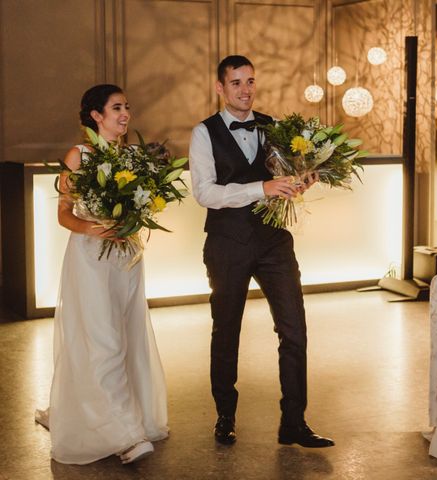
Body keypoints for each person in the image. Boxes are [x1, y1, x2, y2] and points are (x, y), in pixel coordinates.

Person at [189, 55, 334, 448]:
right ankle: (225, 416)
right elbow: (204, 192)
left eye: (250, 81)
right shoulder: (204, 133)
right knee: (227, 331)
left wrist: (297, 183)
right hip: (227, 244)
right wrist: (261, 189)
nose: (245, 89)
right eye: (236, 83)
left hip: (273, 241)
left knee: (295, 331)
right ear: (220, 88)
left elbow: (279, 177)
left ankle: (294, 423)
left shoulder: (274, 128)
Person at [35, 84, 169, 465]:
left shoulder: (132, 156)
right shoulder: (78, 156)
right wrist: (94, 228)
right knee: (102, 340)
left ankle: (111, 415)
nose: (125, 115)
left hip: (126, 255)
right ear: (96, 115)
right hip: (91, 256)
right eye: (116, 108)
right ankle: (125, 435)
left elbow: (143, 202)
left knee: (127, 334)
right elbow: (64, 214)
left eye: (127, 107)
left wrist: (137, 214)